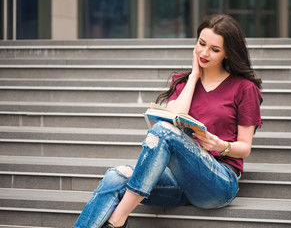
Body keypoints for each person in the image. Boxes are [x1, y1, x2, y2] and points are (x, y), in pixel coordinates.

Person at [72, 14, 262, 228]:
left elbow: (245, 148)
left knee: (163, 131)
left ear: (228, 53)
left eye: (214, 50)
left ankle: (117, 220)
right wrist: (193, 77)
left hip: (218, 181)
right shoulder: (182, 82)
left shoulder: (245, 89)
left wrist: (221, 145)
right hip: (178, 181)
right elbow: (173, 120)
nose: (204, 53)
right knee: (116, 177)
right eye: (201, 44)